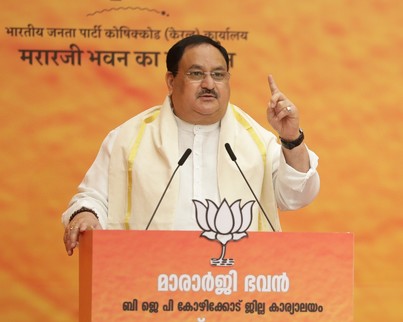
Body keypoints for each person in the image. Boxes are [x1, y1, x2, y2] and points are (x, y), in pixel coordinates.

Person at [62, 35, 320, 256]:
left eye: (218, 75)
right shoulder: (128, 139)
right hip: (149, 282)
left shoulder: (255, 140)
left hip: (239, 283)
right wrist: (85, 215)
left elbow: (297, 197)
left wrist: (291, 138)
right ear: (171, 81)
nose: (209, 84)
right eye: (196, 74)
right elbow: (92, 197)